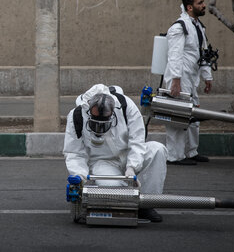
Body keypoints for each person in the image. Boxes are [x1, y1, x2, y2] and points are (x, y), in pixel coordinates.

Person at [63, 83, 168, 223]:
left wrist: (132, 167)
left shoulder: (126, 105)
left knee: (157, 149)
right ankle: (128, 200)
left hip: (128, 153)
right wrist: (79, 178)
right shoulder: (76, 115)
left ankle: (147, 205)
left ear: (113, 110)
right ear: (89, 109)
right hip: (103, 162)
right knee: (113, 191)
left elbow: (137, 139)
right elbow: (74, 152)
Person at [164, 0, 213, 165]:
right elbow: (174, 55)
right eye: (200, 3)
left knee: (193, 116)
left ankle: (191, 151)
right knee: (177, 117)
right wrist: (175, 81)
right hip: (180, 78)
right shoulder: (180, 27)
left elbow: (203, 53)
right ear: (189, 7)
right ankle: (174, 156)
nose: (204, 5)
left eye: (203, 1)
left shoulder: (198, 26)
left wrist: (208, 77)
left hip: (191, 78)